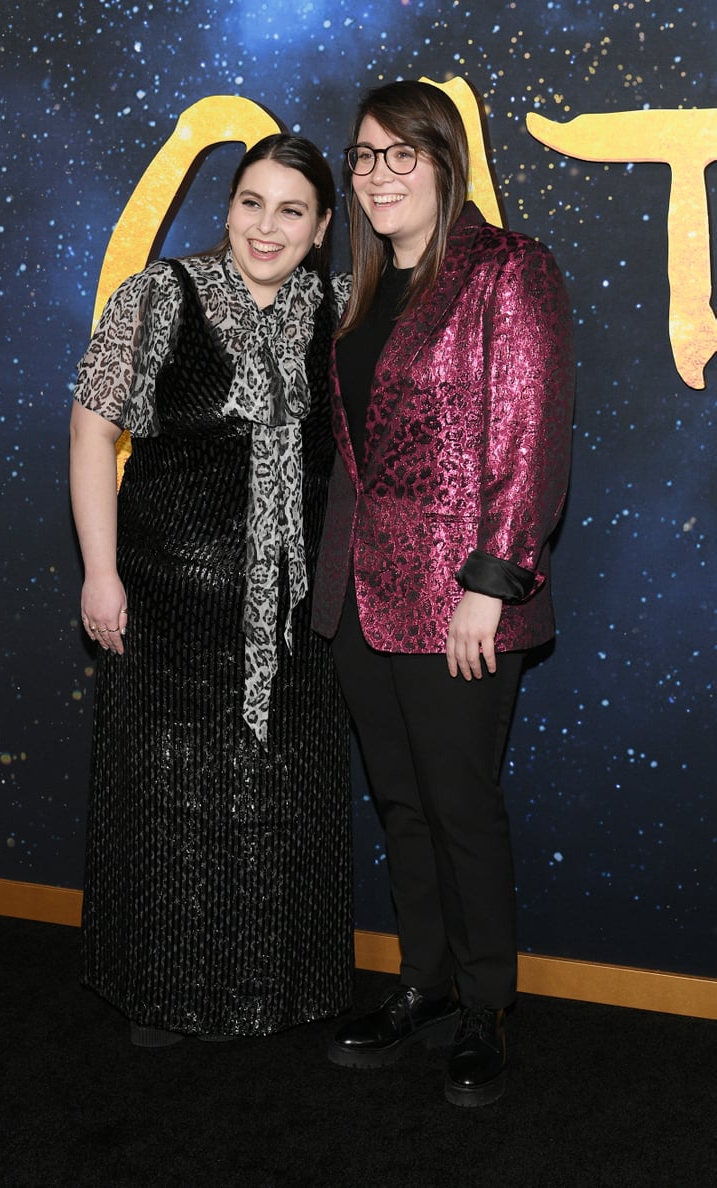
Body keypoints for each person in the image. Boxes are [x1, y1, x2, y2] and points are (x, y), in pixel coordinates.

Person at [312, 81, 575, 1105]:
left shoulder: (510, 271)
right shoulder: (366, 292)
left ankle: (486, 1006)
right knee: (401, 806)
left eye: (397, 154)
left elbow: (531, 432)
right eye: (363, 157)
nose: (376, 174)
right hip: (360, 600)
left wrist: (492, 582)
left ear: (444, 160)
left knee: (462, 807)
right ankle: (422, 982)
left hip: (463, 599)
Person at [69, 134, 353, 1045]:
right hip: (170, 599)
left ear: (319, 231)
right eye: (251, 202)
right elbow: (89, 433)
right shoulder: (159, 295)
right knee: (168, 800)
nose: (266, 227)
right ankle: (162, 990)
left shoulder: (342, 312)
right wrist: (100, 573)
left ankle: (275, 989)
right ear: (226, 206)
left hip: (294, 610)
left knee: (281, 797)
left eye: (292, 210)